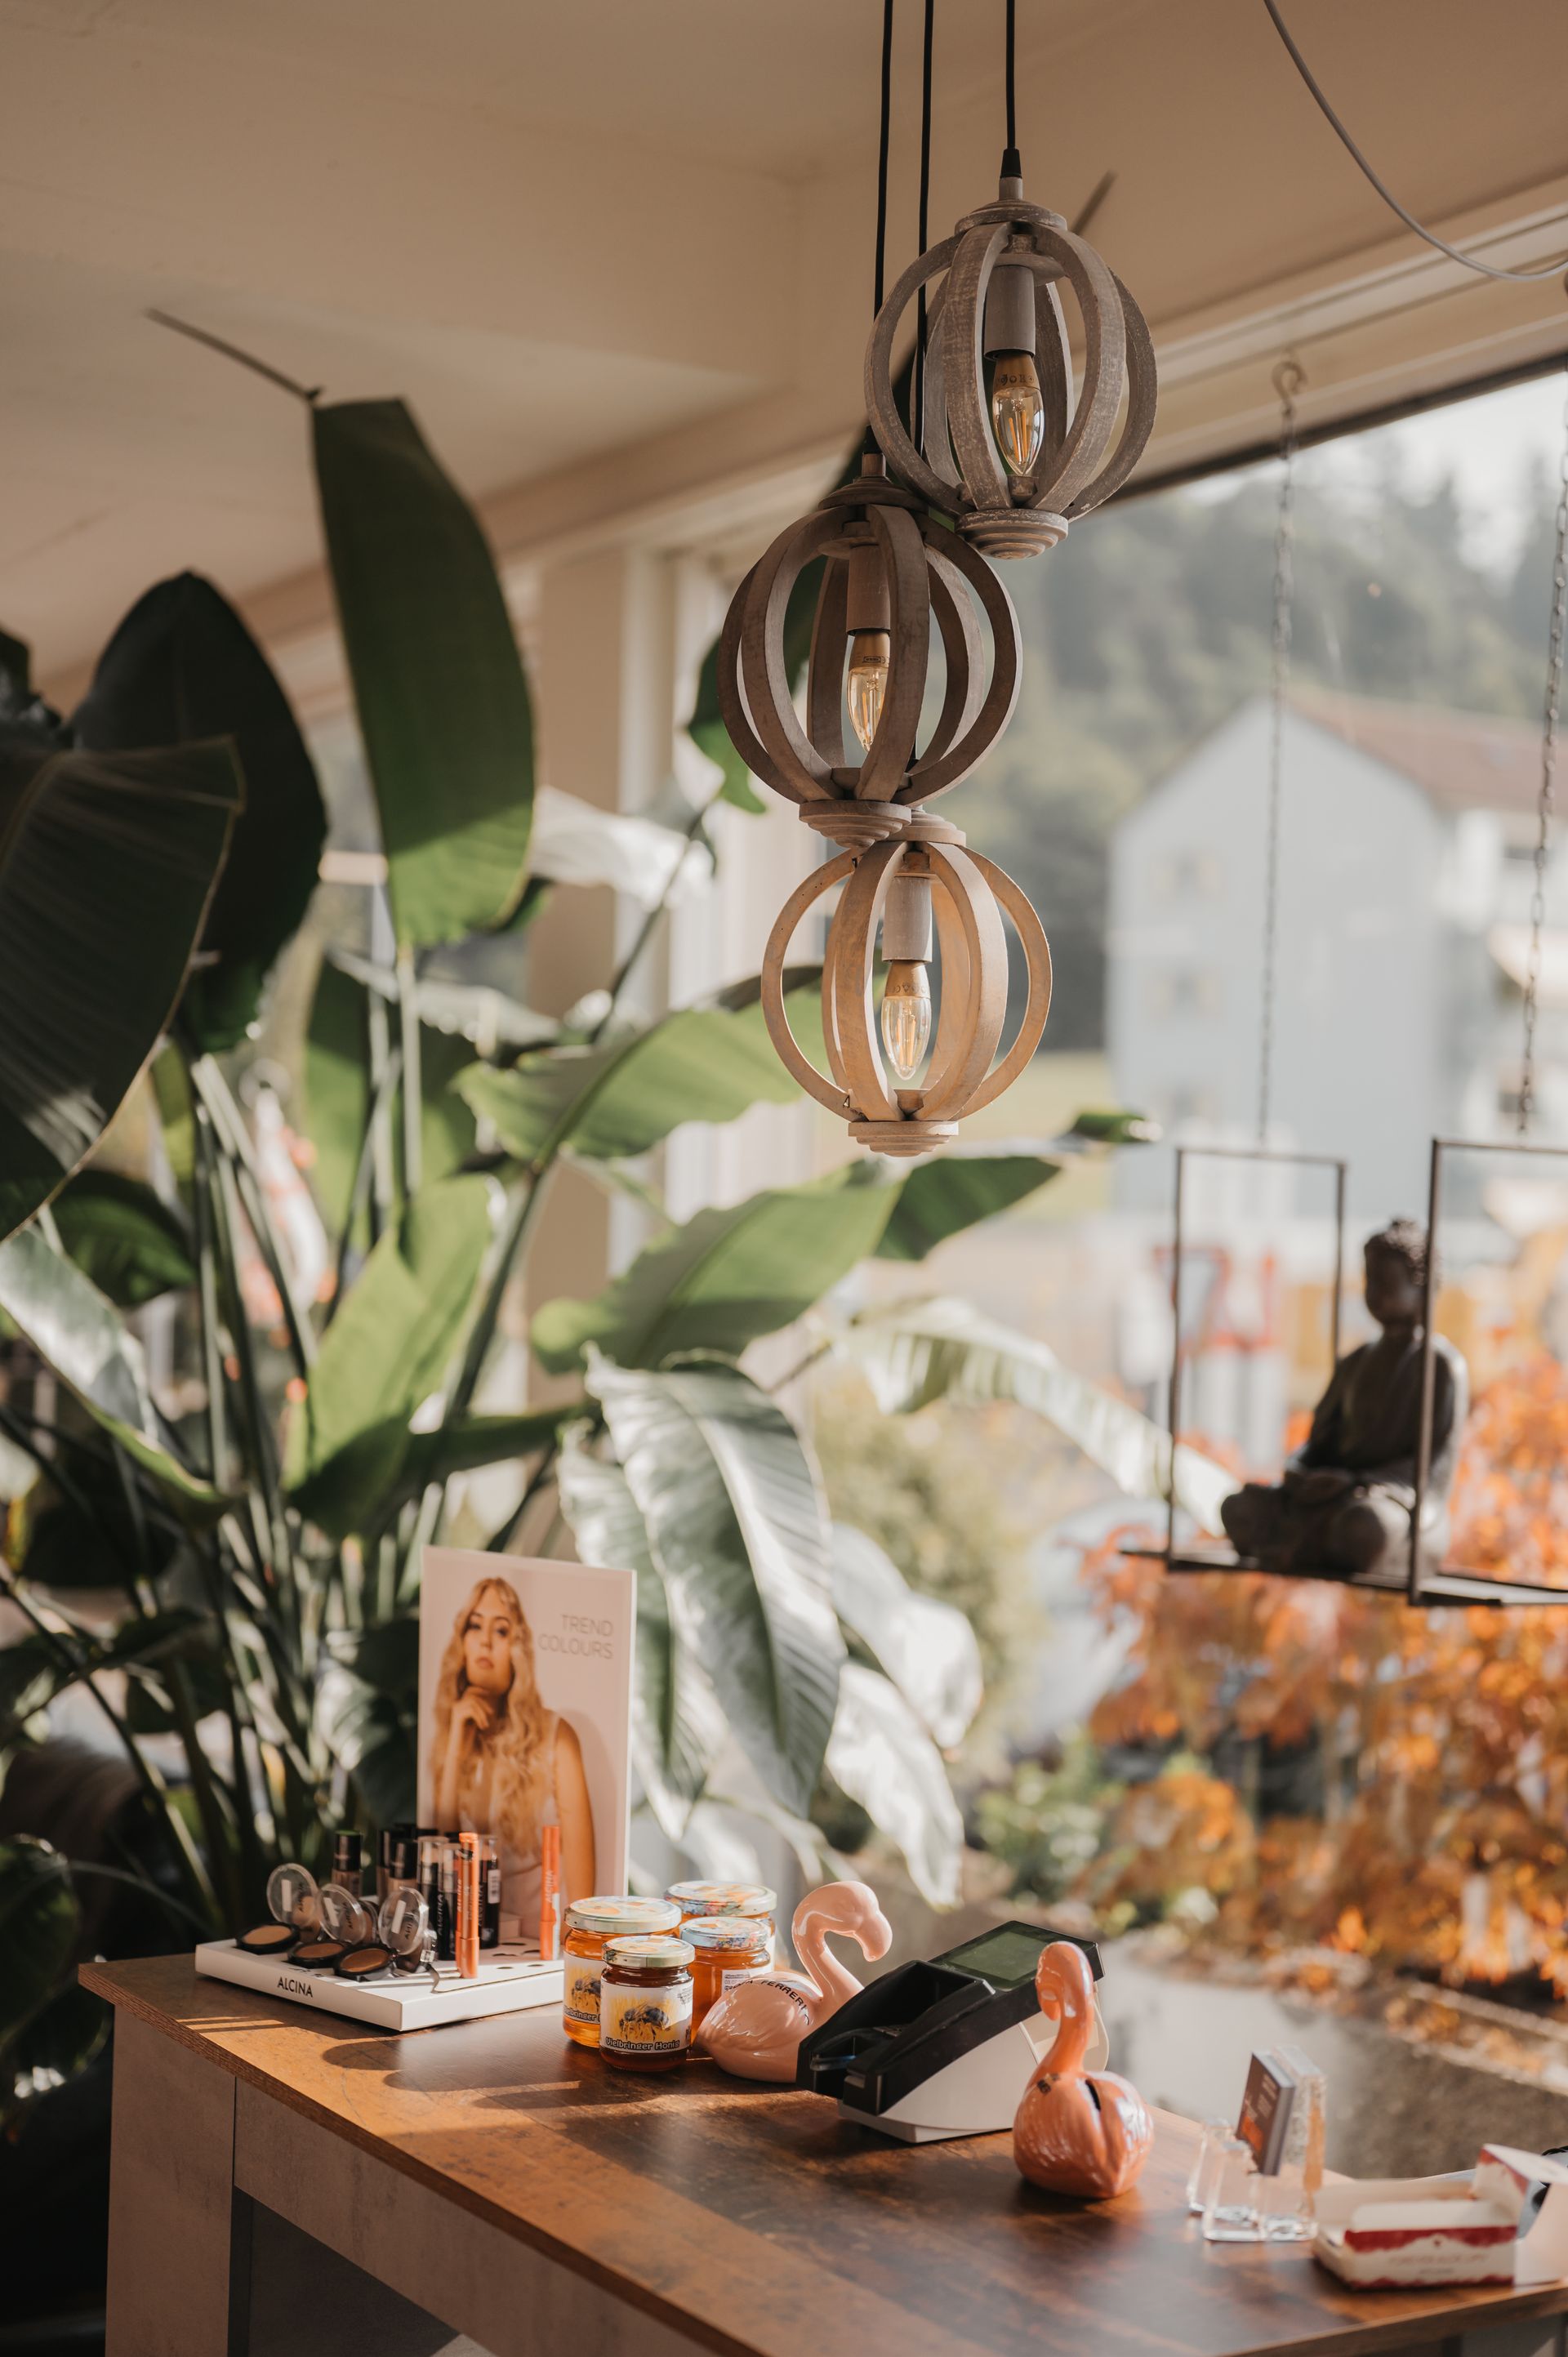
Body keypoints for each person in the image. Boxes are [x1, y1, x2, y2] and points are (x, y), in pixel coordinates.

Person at [1219, 1219, 1468, 1580]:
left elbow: (1434, 1469)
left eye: (1386, 1283)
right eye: (1370, 1281)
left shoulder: (1443, 1367)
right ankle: (1312, 1540)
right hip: (1331, 1495)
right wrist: (1301, 1471)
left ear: (1422, 1285)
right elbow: (1319, 1438)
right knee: (1240, 1507)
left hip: (1389, 1502)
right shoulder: (1356, 1361)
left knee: (1366, 1528)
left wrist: (1356, 1481)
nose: (1374, 1292)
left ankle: (1315, 1543)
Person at [429, 1575, 595, 1933]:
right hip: (472, 1939)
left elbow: (584, 1900)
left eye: (501, 1631)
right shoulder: (450, 1735)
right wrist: (457, 1740)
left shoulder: (557, 1738)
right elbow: (443, 1863)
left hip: (540, 1947)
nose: (485, 1641)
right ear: (463, 1639)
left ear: (517, 1648)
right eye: (476, 1626)